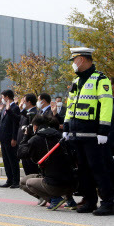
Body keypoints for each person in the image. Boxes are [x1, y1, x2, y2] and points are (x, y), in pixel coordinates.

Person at [64, 47, 114, 215]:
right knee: (84, 169)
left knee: (99, 168)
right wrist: (66, 126)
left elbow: (107, 105)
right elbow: (70, 106)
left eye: (74, 61)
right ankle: (90, 201)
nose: (73, 64)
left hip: (94, 134)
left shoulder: (101, 79)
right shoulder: (76, 82)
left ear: (82, 60)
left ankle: (108, 202)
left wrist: (103, 130)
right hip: (78, 134)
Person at [19, 115, 77, 210]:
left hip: (54, 184)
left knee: (27, 182)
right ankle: (69, 200)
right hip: (72, 183)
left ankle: (54, 199)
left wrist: (25, 136)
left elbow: (21, 153)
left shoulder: (36, 139)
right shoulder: (62, 136)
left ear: (35, 126)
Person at [0, 90, 21, 188]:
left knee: (13, 160)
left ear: (7, 97)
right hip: (3, 138)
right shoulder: (6, 108)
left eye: (2, 97)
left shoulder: (15, 108)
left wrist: (14, 138)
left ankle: (15, 181)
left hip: (10, 138)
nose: (2, 99)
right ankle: (9, 180)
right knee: (6, 160)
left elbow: (15, 123)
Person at [18, 94, 40, 176]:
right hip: (24, 142)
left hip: (30, 143)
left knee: (31, 168)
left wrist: (22, 110)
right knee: (26, 166)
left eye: (23, 101)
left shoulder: (34, 112)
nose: (22, 103)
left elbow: (31, 121)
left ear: (29, 102)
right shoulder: (25, 112)